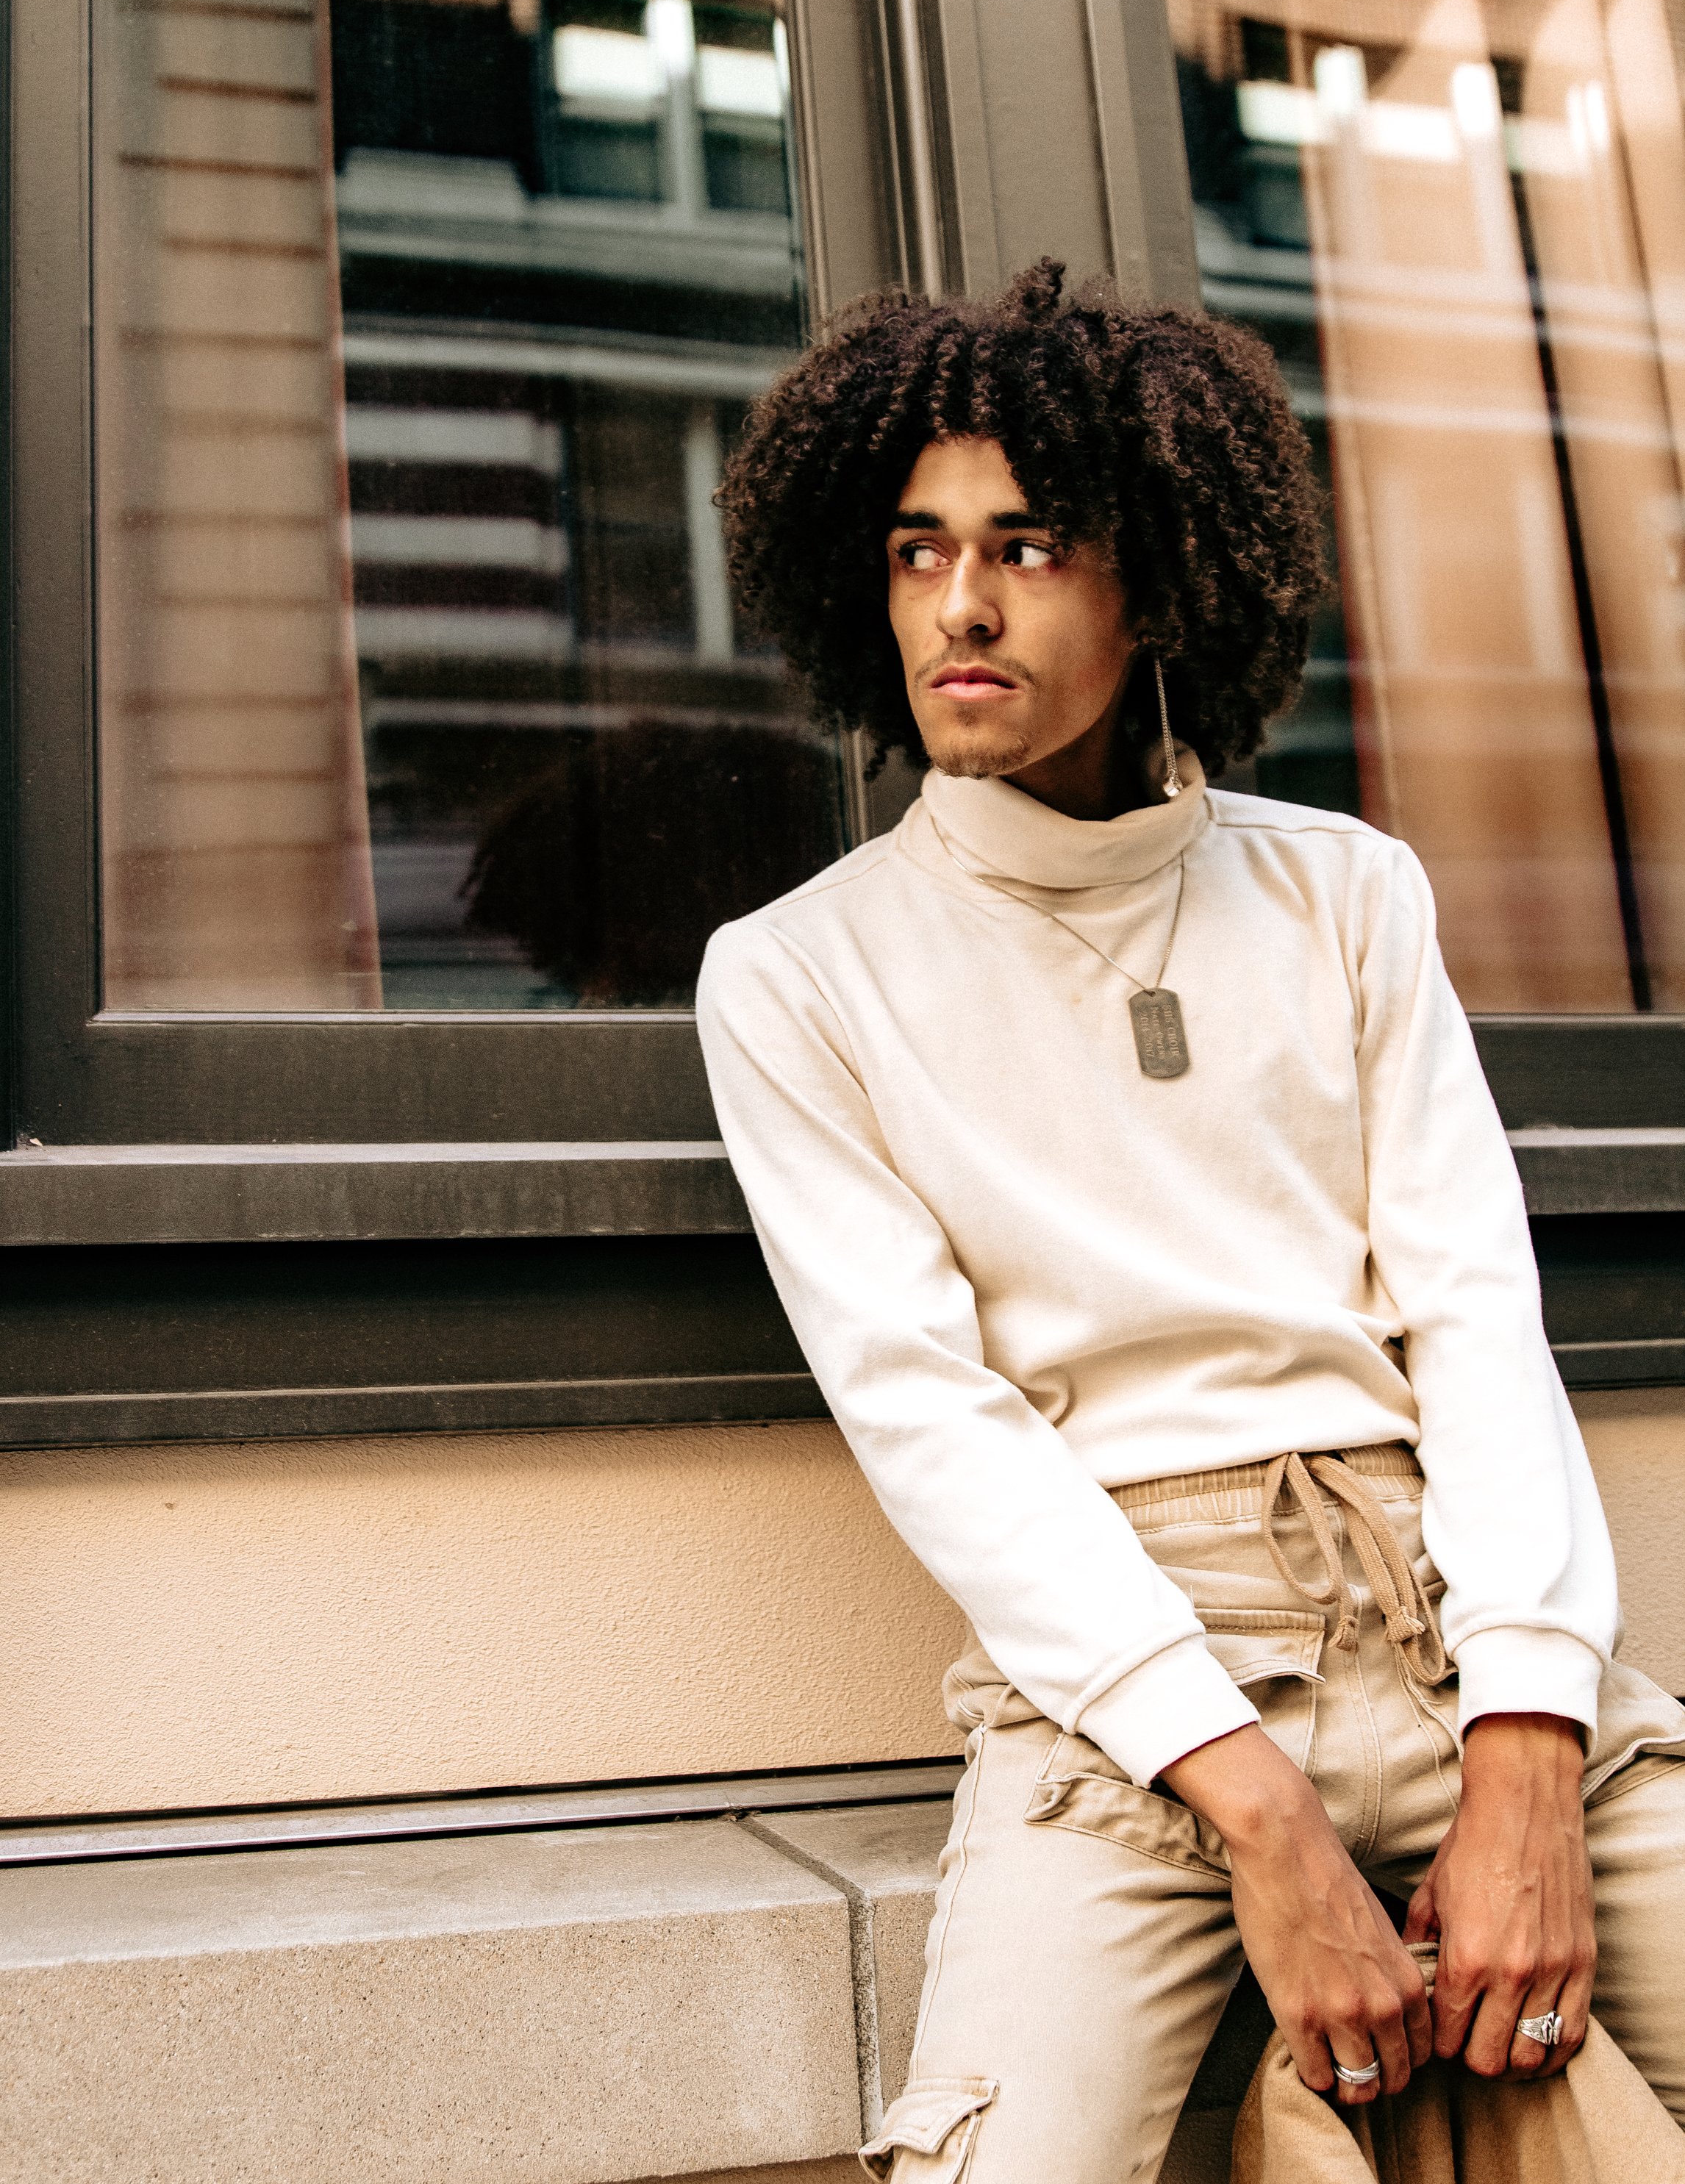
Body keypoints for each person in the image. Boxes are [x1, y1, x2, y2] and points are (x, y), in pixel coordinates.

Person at [694, 262, 1685, 2183]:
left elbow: (1476, 1318)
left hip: (1442, 1596)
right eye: (914, 551)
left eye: (1026, 544)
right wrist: (1265, 1826)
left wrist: (1525, 1753)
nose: (958, 605)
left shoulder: (1339, 894)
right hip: (1131, 1684)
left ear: (1154, 578)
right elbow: (935, 1423)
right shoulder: (800, 975)